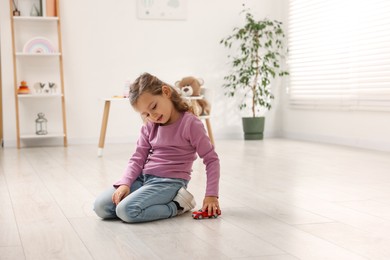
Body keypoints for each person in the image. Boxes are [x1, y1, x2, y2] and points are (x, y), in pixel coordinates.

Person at [94, 72, 220, 223]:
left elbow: (211, 159)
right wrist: (125, 183)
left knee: (127, 211)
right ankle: (144, 202)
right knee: (101, 207)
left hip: (169, 182)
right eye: (146, 114)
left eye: (153, 107)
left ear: (166, 92)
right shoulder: (149, 126)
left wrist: (211, 195)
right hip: (143, 178)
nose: (152, 116)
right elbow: (137, 158)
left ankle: (177, 206)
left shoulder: (190, 124)